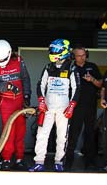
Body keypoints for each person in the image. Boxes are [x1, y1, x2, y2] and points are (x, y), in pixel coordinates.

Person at [29, 38, 80, 172]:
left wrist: (71, 106)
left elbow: (77, 88)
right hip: (47, 108)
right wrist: (41, 100)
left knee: (62, 136)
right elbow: (40, 85)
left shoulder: (71, 67)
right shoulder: (48, 67)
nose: (52, 52)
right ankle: (39, 161)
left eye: (55, 50)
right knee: (42, 135)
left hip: (64, 109)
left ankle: (59, 162)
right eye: (52, 49)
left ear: (63, 51)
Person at [0, 39, 31, 170]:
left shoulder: (18, 60)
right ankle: (6, 158)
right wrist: (8, 86)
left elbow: (25, 78)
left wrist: (27, 95)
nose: (0, 63)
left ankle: (20, 158)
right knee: (8, 132)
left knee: (20, 131)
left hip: (20, 101)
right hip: (5, 102)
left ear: (10, 53)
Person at [64, 45, 102, 171]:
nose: (82, 57)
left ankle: (90, 162)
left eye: (84, 55)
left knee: (90, 134)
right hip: (75, 106)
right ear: (73, 56)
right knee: (73, 134)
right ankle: (68, 162)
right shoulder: (70, 67)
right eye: (79, 55)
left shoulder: (93, 66)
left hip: (90, 105)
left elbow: (101, 84)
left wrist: (92, 79)